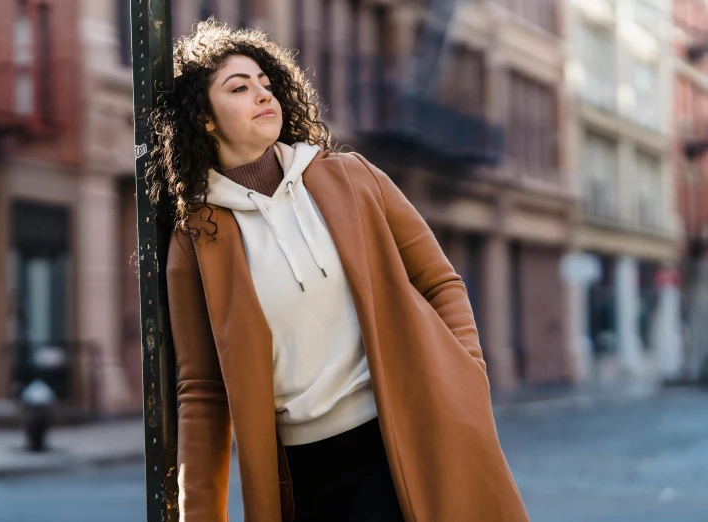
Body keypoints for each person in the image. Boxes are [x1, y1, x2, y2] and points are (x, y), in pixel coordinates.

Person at [149, 19, 529, 522]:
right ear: (206, 120)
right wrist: (200, 515)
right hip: (304, 470)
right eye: (239, 88)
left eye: (266, 83)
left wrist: (467, 375)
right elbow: (202, 390)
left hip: (404, 436)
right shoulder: (196, 240)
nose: (263, 94)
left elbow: (439, 281)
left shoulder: (352, 178)